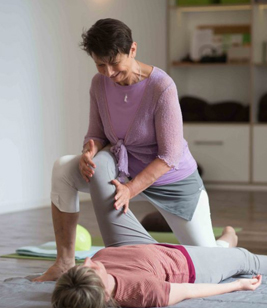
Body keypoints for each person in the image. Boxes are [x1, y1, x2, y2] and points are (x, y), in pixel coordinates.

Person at [33, 18, 232, 283]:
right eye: (100, 64)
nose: (108, 72)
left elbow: (170, 156)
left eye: (115, 63)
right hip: (122, 169)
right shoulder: (98, 83)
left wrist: (131, 189)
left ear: (133, 50)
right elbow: (97, 134)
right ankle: (64, 262)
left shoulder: (161, 87)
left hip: (172, 180)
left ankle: (227, 242)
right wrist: (89, 152)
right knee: (62, 169)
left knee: (209, 264)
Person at [51, 226, 267, 308]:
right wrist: (238, 286)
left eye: (81, 266)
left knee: (222, 250)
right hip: (195, 267)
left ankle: (225, 242)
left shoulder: (88, 274)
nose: (87, 262)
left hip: (168, 250)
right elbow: (191, 291)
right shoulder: (143, 291)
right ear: (101, 288)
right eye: (89, 270)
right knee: (246, 260)